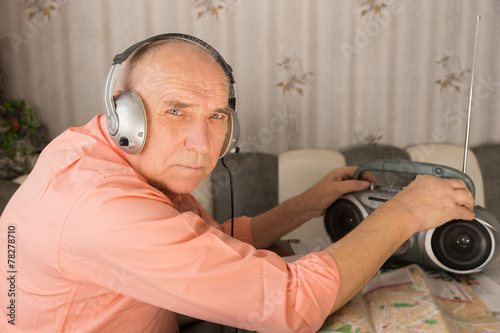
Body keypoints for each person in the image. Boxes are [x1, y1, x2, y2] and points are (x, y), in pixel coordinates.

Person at [0, 34, 475, 333]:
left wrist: (305, 205)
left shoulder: (97, 152)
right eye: (176, 111)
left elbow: (197, 249)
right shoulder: (102, 206)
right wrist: (405, 213)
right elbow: (291, 306)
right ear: (126, 112)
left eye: (217, 117)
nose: (203, 145)